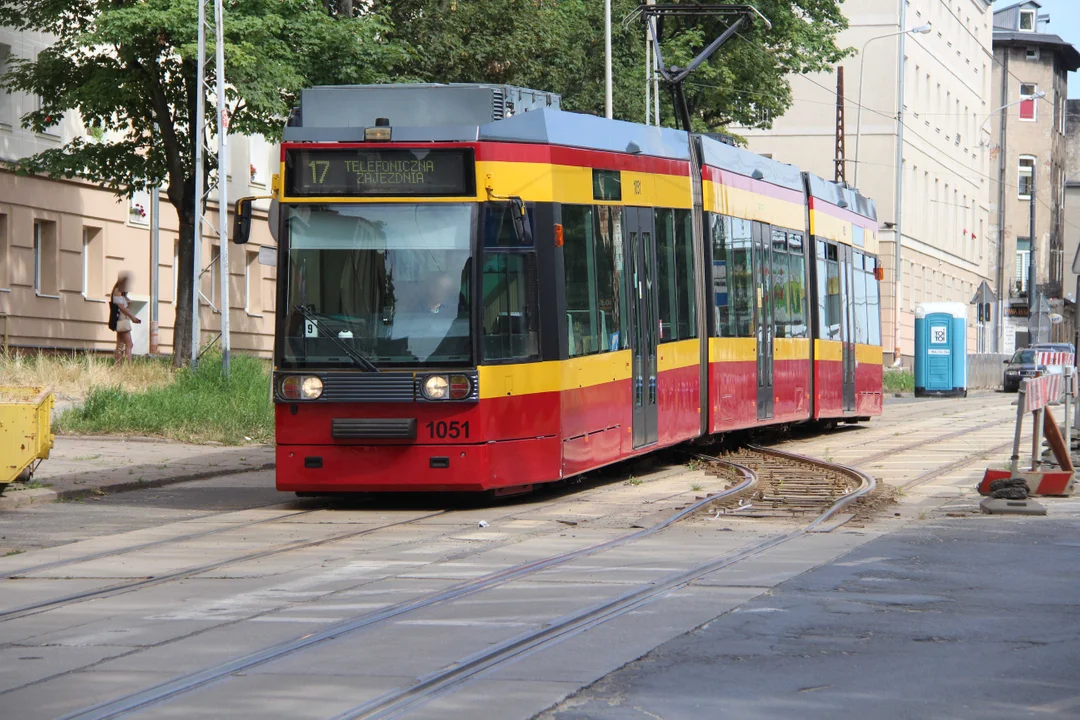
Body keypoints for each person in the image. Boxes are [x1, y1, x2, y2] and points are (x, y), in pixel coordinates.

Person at [109, 272, 141, 365]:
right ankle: (129, 365)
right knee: (129, 344)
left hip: (122, 319)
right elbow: (121, 307)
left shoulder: (121, 293)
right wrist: (132, 317)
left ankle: (117, 364)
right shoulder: (118, 291)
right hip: (122, 320)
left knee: (120, 344)